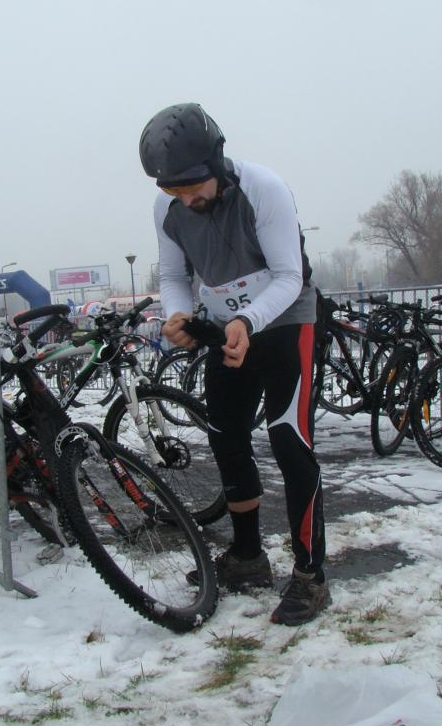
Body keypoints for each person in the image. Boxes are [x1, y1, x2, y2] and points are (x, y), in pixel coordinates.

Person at [139, 102, 329, 626]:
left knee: (289, 442)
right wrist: (177, 313)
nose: (185, 199)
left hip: (286, 322)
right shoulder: (168, 207)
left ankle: (311, 574)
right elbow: (174, 276)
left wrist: (248, 320)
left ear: (216, 163)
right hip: (226, 328)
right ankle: (248, 557)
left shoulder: (264, 189)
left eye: (192, 186)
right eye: (172, 190)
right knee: (226, 436)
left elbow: (289, 276)